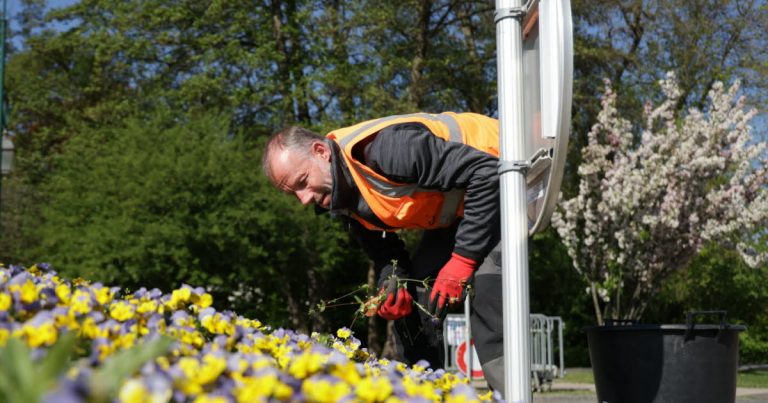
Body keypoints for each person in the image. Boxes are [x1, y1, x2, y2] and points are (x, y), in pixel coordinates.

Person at [262, 112, 505, 393]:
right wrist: (392, 283)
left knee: (487, 296)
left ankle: (510, 395)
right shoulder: (344, 198)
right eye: (293, 193)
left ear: (320, 152)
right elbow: (386, 254)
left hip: (510, 176)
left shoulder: (387, 150)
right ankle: (426, 394)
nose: (303, 200)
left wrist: (463, 259)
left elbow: (486, 173)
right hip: (465, 206)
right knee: (416, 301)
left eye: (302, 182)